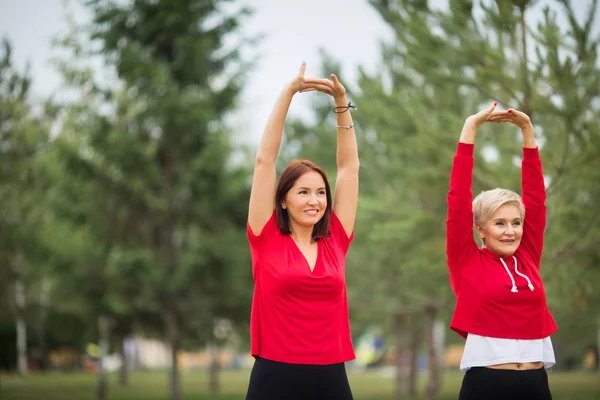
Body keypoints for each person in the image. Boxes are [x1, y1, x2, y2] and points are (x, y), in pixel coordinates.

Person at [245, 63, 359, 400]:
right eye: (303, 192)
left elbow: (348, 167)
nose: (315, 200)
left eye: (321, 192)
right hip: (274, 376)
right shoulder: (264, 238)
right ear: (282, 200)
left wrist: (341, 103)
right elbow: (265, 160)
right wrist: (287, 93)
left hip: (330, 377)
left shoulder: (336, 239)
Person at [446, 103, 558, 400]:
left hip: (536, 384)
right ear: (480, 229)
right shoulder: (467, 261)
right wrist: (470, 128)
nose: (510, 231)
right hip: (486, 386)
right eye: (500, 223)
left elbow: (536, 197)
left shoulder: (528, 256)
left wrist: (527, 131)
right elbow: (457, 201)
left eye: (516, 222)